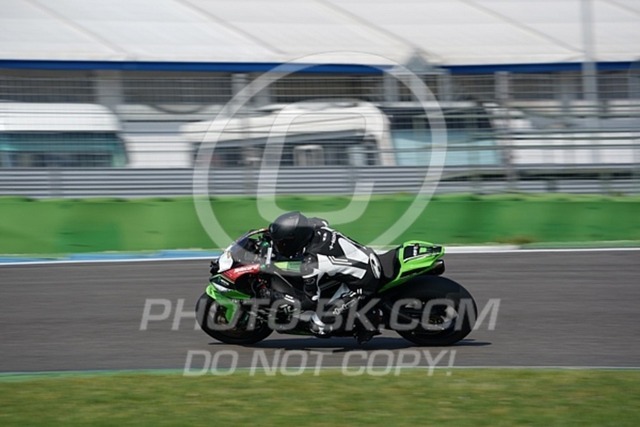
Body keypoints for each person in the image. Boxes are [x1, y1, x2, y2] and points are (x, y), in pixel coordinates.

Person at [264, 211, 382, 342]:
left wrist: (278, 297)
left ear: (295, 239)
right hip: (365, 257)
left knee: (318, 327)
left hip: (364, 282)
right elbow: (320, 221)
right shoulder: (314, 226)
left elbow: (310, 301)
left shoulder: (312, 263)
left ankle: (366, 323)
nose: (279, 246)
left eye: (281, 243)